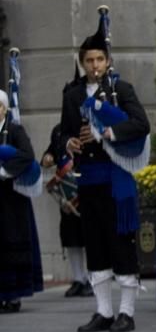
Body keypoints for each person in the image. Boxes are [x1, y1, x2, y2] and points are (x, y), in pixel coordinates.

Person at [62, 19, 150, 332]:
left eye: (100, 59)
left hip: (116, 179)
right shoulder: (72, 94)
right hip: (89, 179)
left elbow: (141, 124)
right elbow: (64, 131)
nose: (95, 65)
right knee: (95, 243)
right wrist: (68, 142)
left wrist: (107, 132)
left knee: (120, 242)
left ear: (108, 61)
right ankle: (103, 311)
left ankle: (126, 311)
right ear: (82, 63)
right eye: (89, 60)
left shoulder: (120, 90)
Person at [0, 90, 44, 313]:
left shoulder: (14, 130)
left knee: (12, 242)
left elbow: (27, 154)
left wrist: (5, 170)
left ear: (4, 109)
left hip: (12, 197)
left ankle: (14, 295)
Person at [42, 121, 92, 298]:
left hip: (87, 190)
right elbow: (52, 152)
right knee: (72, 238)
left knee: (90, 238)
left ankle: (92, 280)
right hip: (67, 196)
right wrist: (47, 157)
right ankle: (78, 279)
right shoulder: (59, 130)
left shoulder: (89, 126)